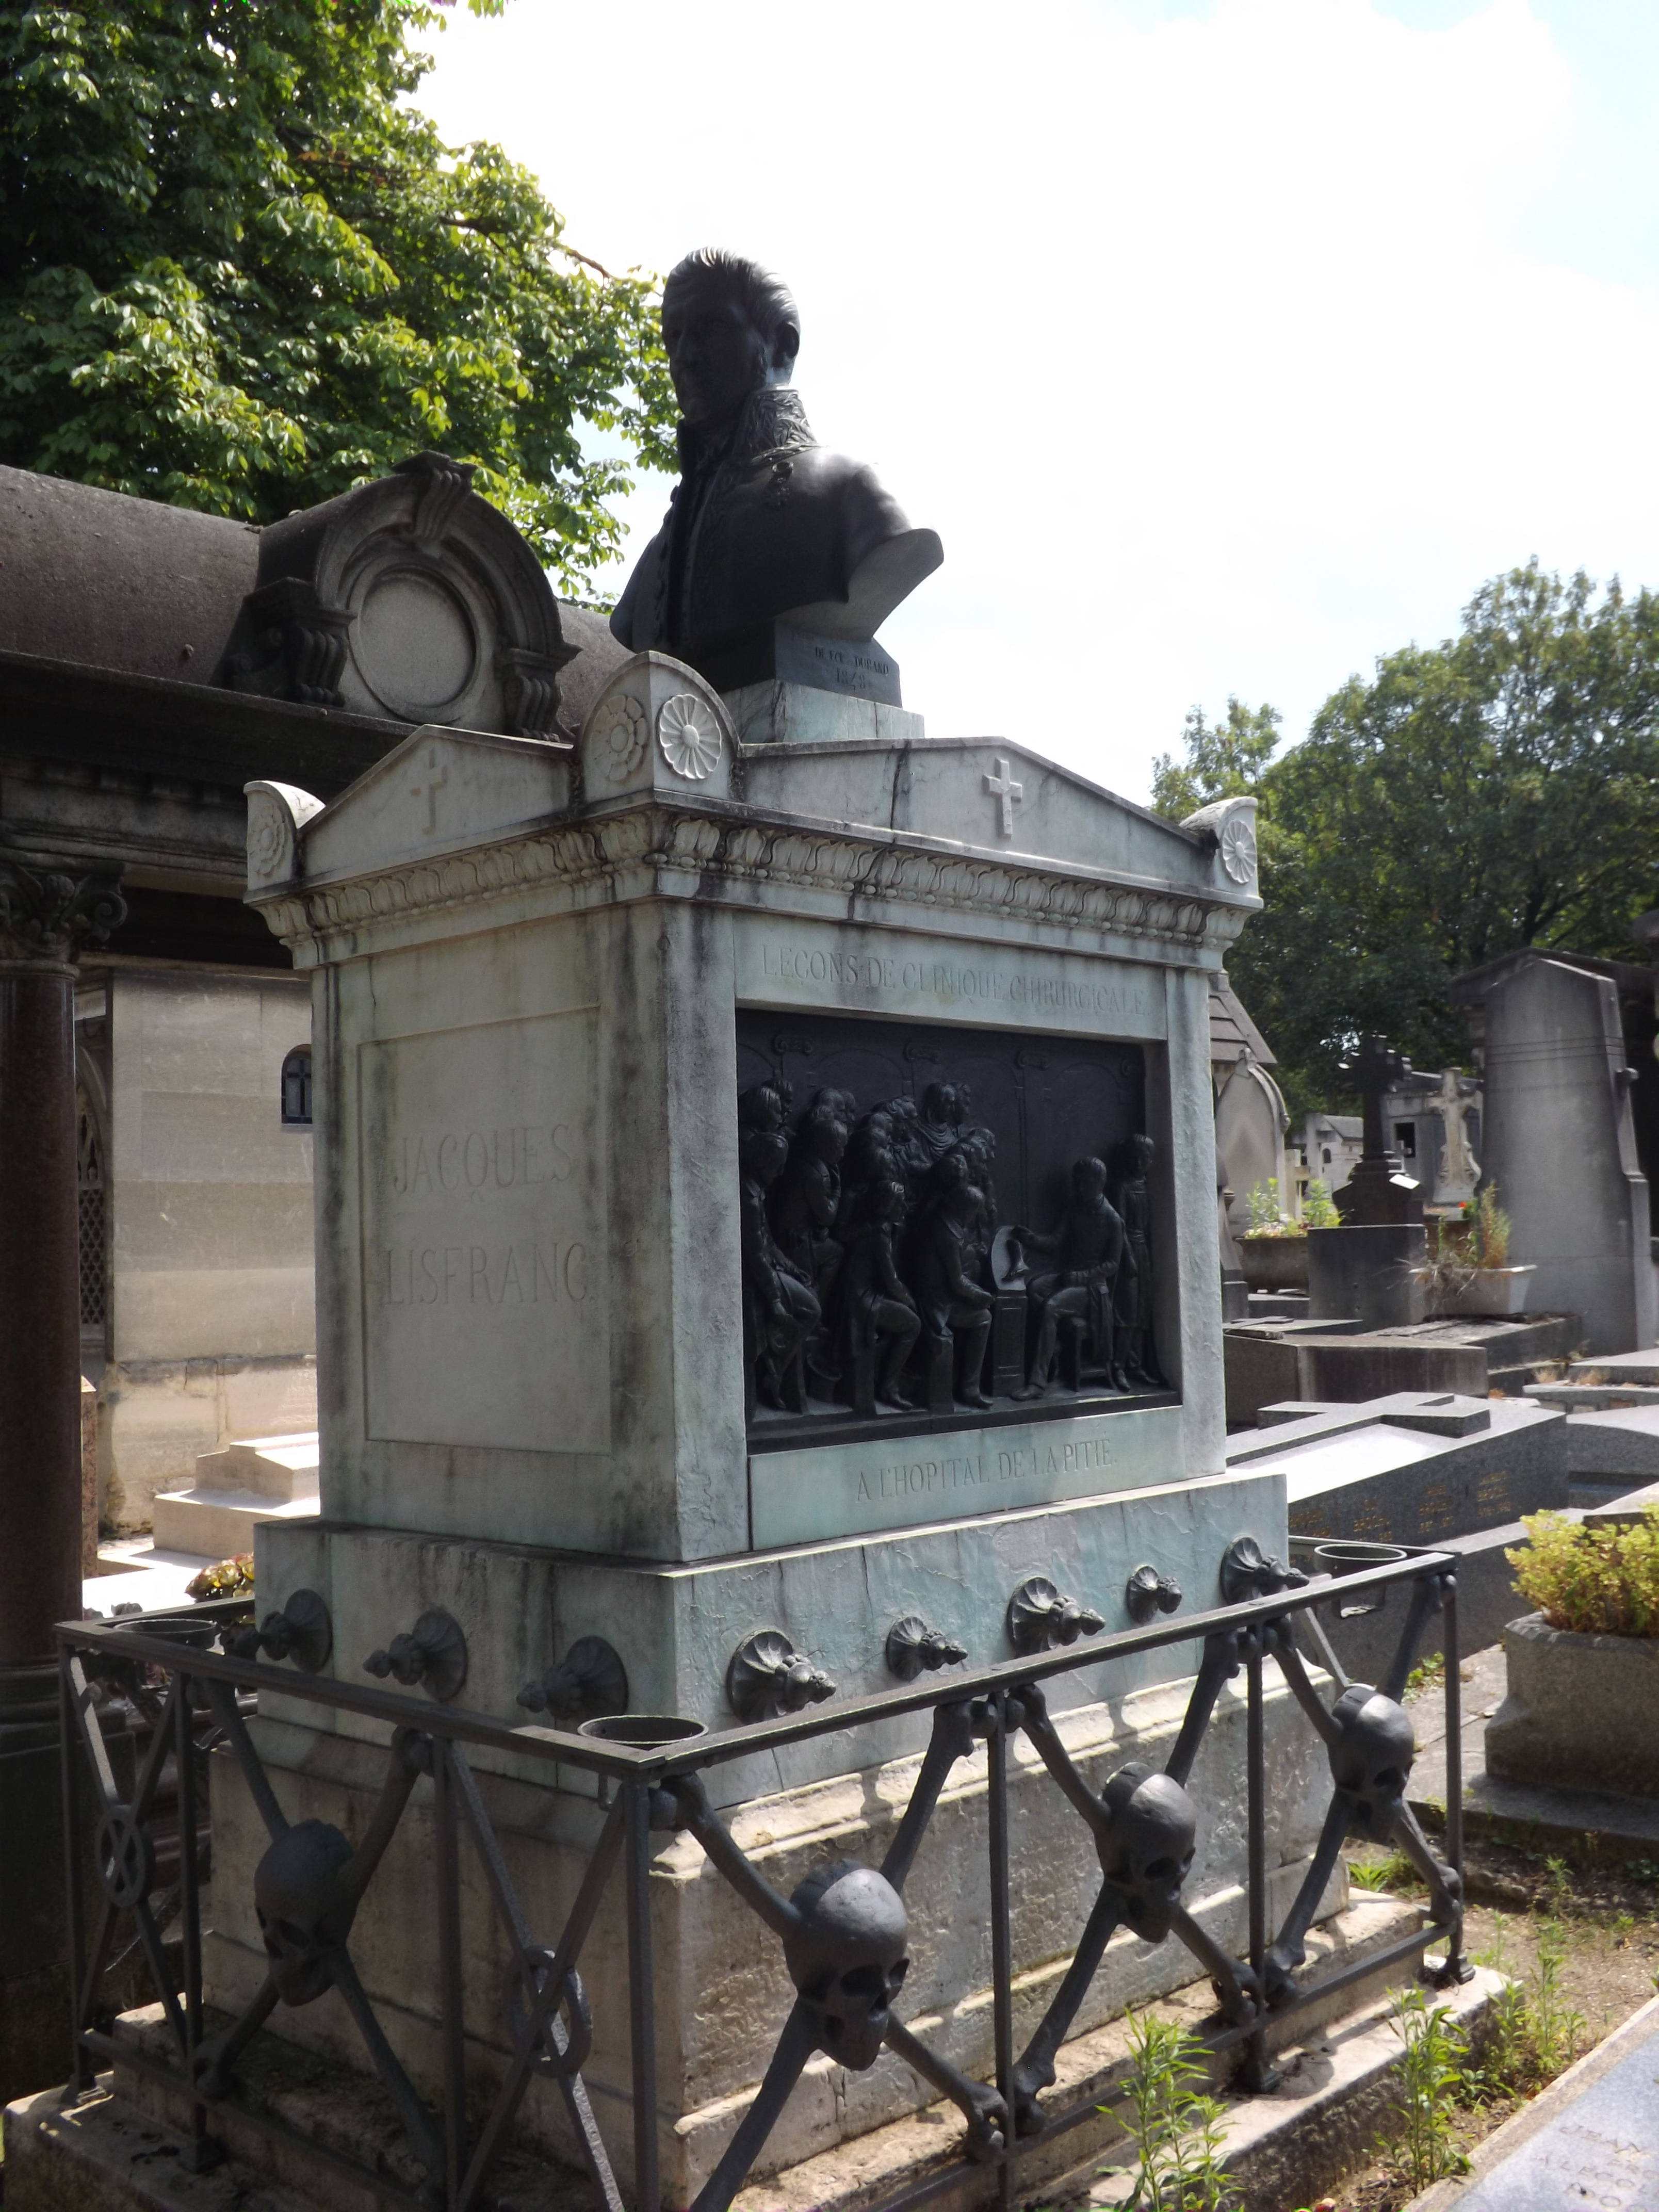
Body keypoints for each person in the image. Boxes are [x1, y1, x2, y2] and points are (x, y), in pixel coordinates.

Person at [610, 249, 941, 693]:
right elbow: (628, 627)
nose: (685, 356)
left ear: (781, 344)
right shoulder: (659, 555)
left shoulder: (856, 495)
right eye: (674, 338)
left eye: (710, 328)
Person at [1015, 1158, 1130, 1397]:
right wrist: (1032, 1240)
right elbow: (1057, 1241)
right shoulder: (1075, 1207)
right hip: (1069, 1279)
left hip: (1094, 1290)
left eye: (1086, 1184)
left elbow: (1112, 1264)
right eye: (1078, 1183)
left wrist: (1080, 1278)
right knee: (1034, 1288)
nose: (1080, 1189)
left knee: (1050, 1307)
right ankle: (1053, 1345)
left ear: (1101, 1183)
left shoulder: (1112, 1219)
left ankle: (1037, 1383)